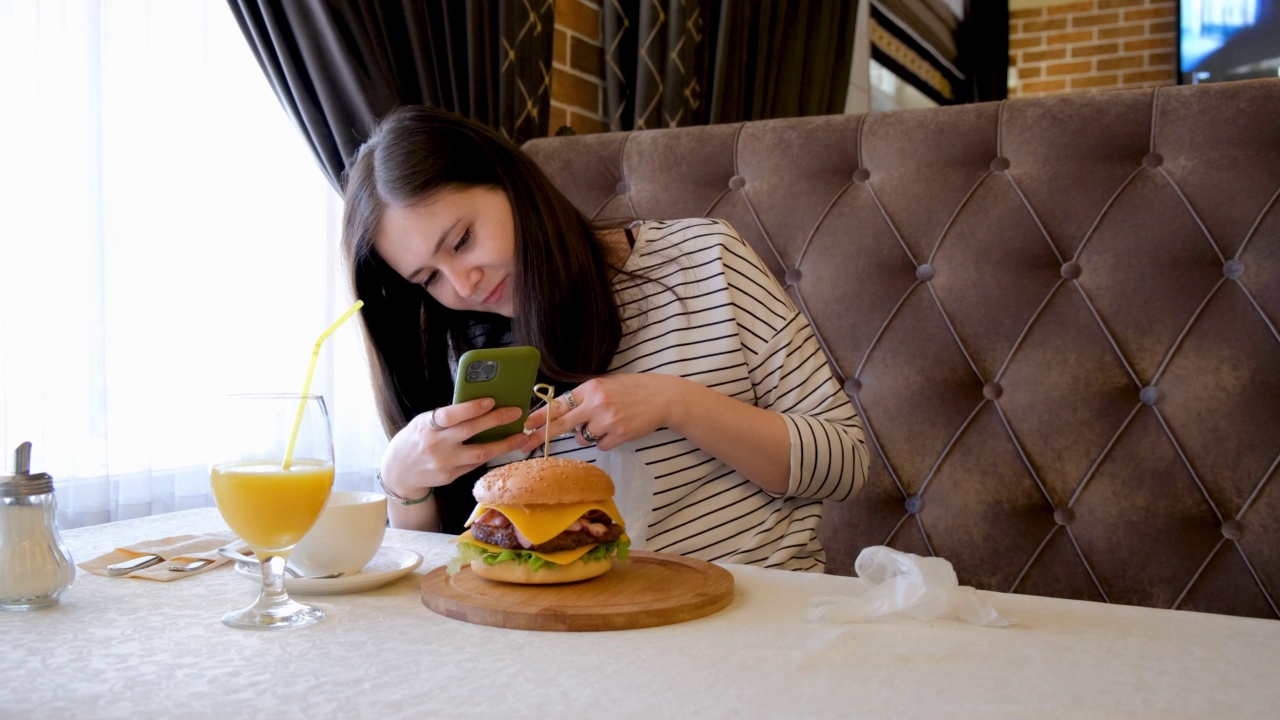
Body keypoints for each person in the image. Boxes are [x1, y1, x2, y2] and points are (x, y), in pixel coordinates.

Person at [340, 105, 868, 571]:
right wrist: (403, 482)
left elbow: (846, 464)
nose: (463, 284)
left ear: (510, 183)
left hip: (750, 618)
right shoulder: (463, 356)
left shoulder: (703, 258)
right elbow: (453, 566)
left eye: (462, 240)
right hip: (562, 643)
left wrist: (675, 402)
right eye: (429, 279)